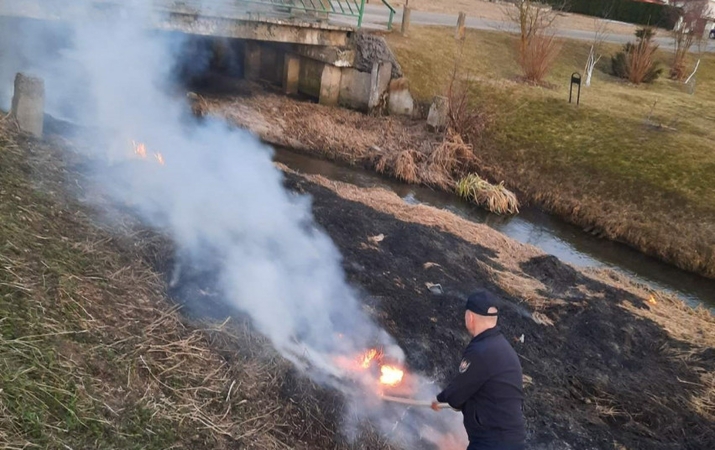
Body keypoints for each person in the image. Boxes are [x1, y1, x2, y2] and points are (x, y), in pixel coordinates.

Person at [431, 289, 526, 450]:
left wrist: (441, 399)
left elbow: (457, 393)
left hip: (493, 442)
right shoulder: (501, 346)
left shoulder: (481, 350)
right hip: (511, 440)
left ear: (470, 317)